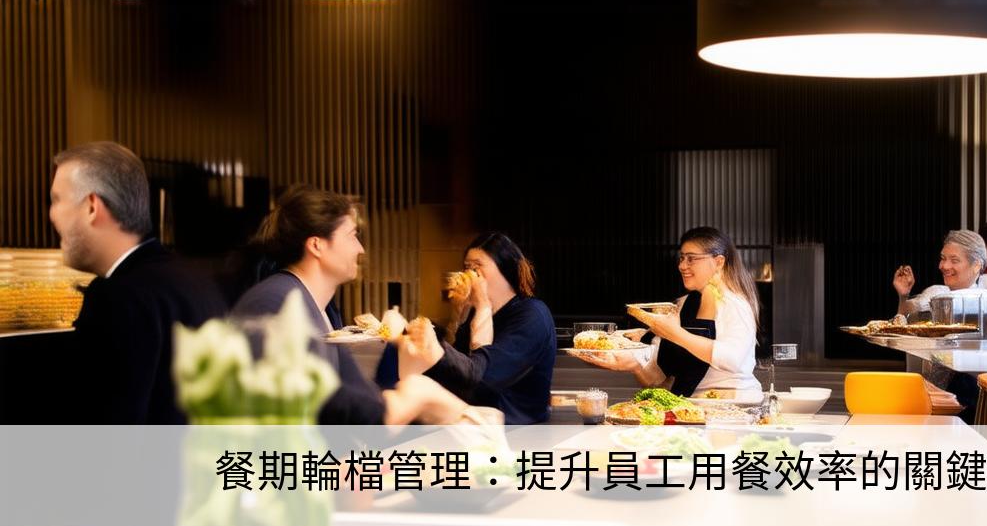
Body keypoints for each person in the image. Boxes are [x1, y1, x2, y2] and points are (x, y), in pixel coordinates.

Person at [232, 184, 481, 426]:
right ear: (317, 245)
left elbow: (357, 398)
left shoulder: (321, 308)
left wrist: (403, 362)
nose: (360, 249)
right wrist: (417, 395)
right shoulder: (277, 304)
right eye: (352, 235)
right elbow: (341, 414)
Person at [49, 141, 227, 424]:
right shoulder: (198, 280)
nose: (52, 214)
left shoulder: (116, 298)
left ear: (92, 207)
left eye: (57, 200)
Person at [376, 232, 556, 424]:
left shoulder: (532, 314)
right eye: (467, 267)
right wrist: (458, 318)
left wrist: (483, 306)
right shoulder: (475, 313)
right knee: (398, 348)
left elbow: (481, 379)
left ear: (506, 267)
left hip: (508, 418)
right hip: (472, 406)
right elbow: (457, 372)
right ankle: (374, 413)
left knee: (415, 387)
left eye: (477, 266)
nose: (469, 274)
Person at [576, 227, 762, 400]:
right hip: (689, 408)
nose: (682, 266)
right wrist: (634, 363)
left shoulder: (735, 304)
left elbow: (733, 359)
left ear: (719, 261)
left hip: (734, 405)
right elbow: (660, 381)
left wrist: (675, 334)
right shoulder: (682, 305)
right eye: (682, 258)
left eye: (691, 259)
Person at [892, 229, 987, 318]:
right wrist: (903, 296)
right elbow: (904, 319)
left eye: (954, 260)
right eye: (943, 258)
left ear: (976, 266)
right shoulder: (936, 292)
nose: (944, 266)